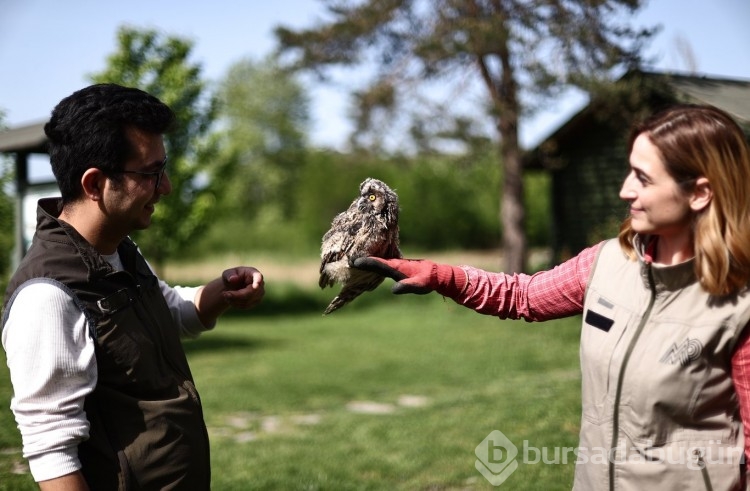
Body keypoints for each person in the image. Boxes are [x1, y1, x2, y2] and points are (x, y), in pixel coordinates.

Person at [354, 104, 750, 490]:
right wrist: (441, 276)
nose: (624, 190)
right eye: (630, 171)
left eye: (643, 178)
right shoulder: (606, 262)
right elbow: (522, 296)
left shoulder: (741, 306)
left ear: (700, 193)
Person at [1, 83, 265, 490]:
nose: (166, 187)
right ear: (94, 185)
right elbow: (51, 448)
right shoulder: (47, 297)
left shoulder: (118, 249)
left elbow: (166, 310)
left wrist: (220, 293)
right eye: (150, 173)